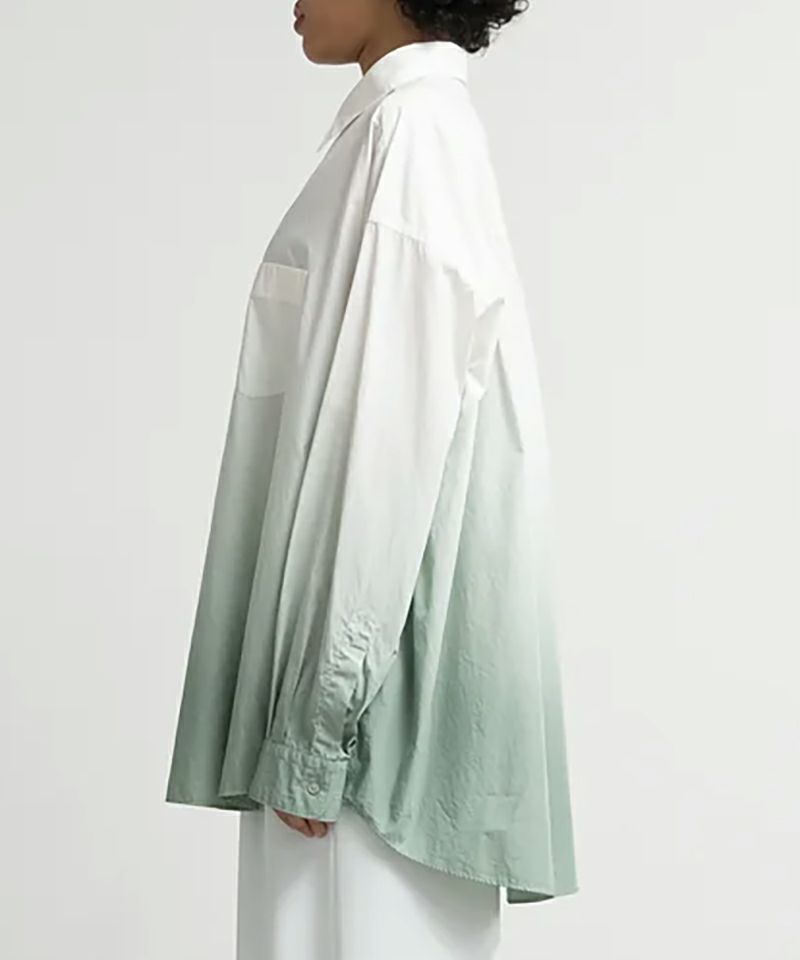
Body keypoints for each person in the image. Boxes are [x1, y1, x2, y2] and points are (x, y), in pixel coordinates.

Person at [165, 1, 579, 956]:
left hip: (368, 727)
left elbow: (390, 444)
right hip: (350, 699)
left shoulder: (414, 137)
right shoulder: (395, 133)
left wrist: (317, 730)